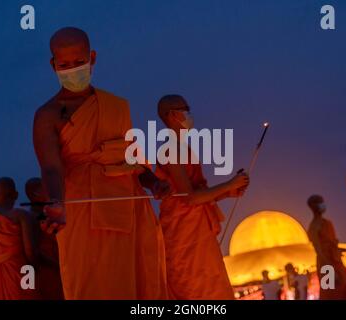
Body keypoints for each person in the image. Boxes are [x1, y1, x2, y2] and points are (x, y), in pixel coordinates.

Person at [33, 27, 169, 299]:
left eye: (79, 62)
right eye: (65, 65)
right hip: (82, 209)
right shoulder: (47, 115)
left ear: (92, 57)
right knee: (92, 286)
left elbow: (132, 157)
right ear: (53, 65)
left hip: (129, 206)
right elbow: (51, 167)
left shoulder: (116, 106)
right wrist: (57, 203)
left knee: (139, 283)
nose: (73, 69)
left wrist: (154, 182)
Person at [155, 94, 249, 299]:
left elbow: (198, 194)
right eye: (185, 109)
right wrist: (229, 184)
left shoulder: (182, 148)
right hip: (183, 235)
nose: (189, 115)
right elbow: (190, 198)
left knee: (213, 286)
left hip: (197, 231)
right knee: (195, 290)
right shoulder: (169, 150)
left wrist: (228, 192)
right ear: (172, 115)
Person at [307, 195, 346, 299]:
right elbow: (319, 252)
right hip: (326, 266)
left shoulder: (327, 223)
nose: (322, 205)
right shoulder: (313, 227)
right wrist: (331, 271)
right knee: (331, 295)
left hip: (338, 263)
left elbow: (333, 246)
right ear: (313, 206)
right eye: (319, 202)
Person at [25, 177, 64, 300]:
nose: (48, 192)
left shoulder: (47, 214)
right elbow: (34, 252)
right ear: (35, 195)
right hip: (46, 274)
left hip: (57, 269)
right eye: (44, 188)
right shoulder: (31, 218)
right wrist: (57, 265)